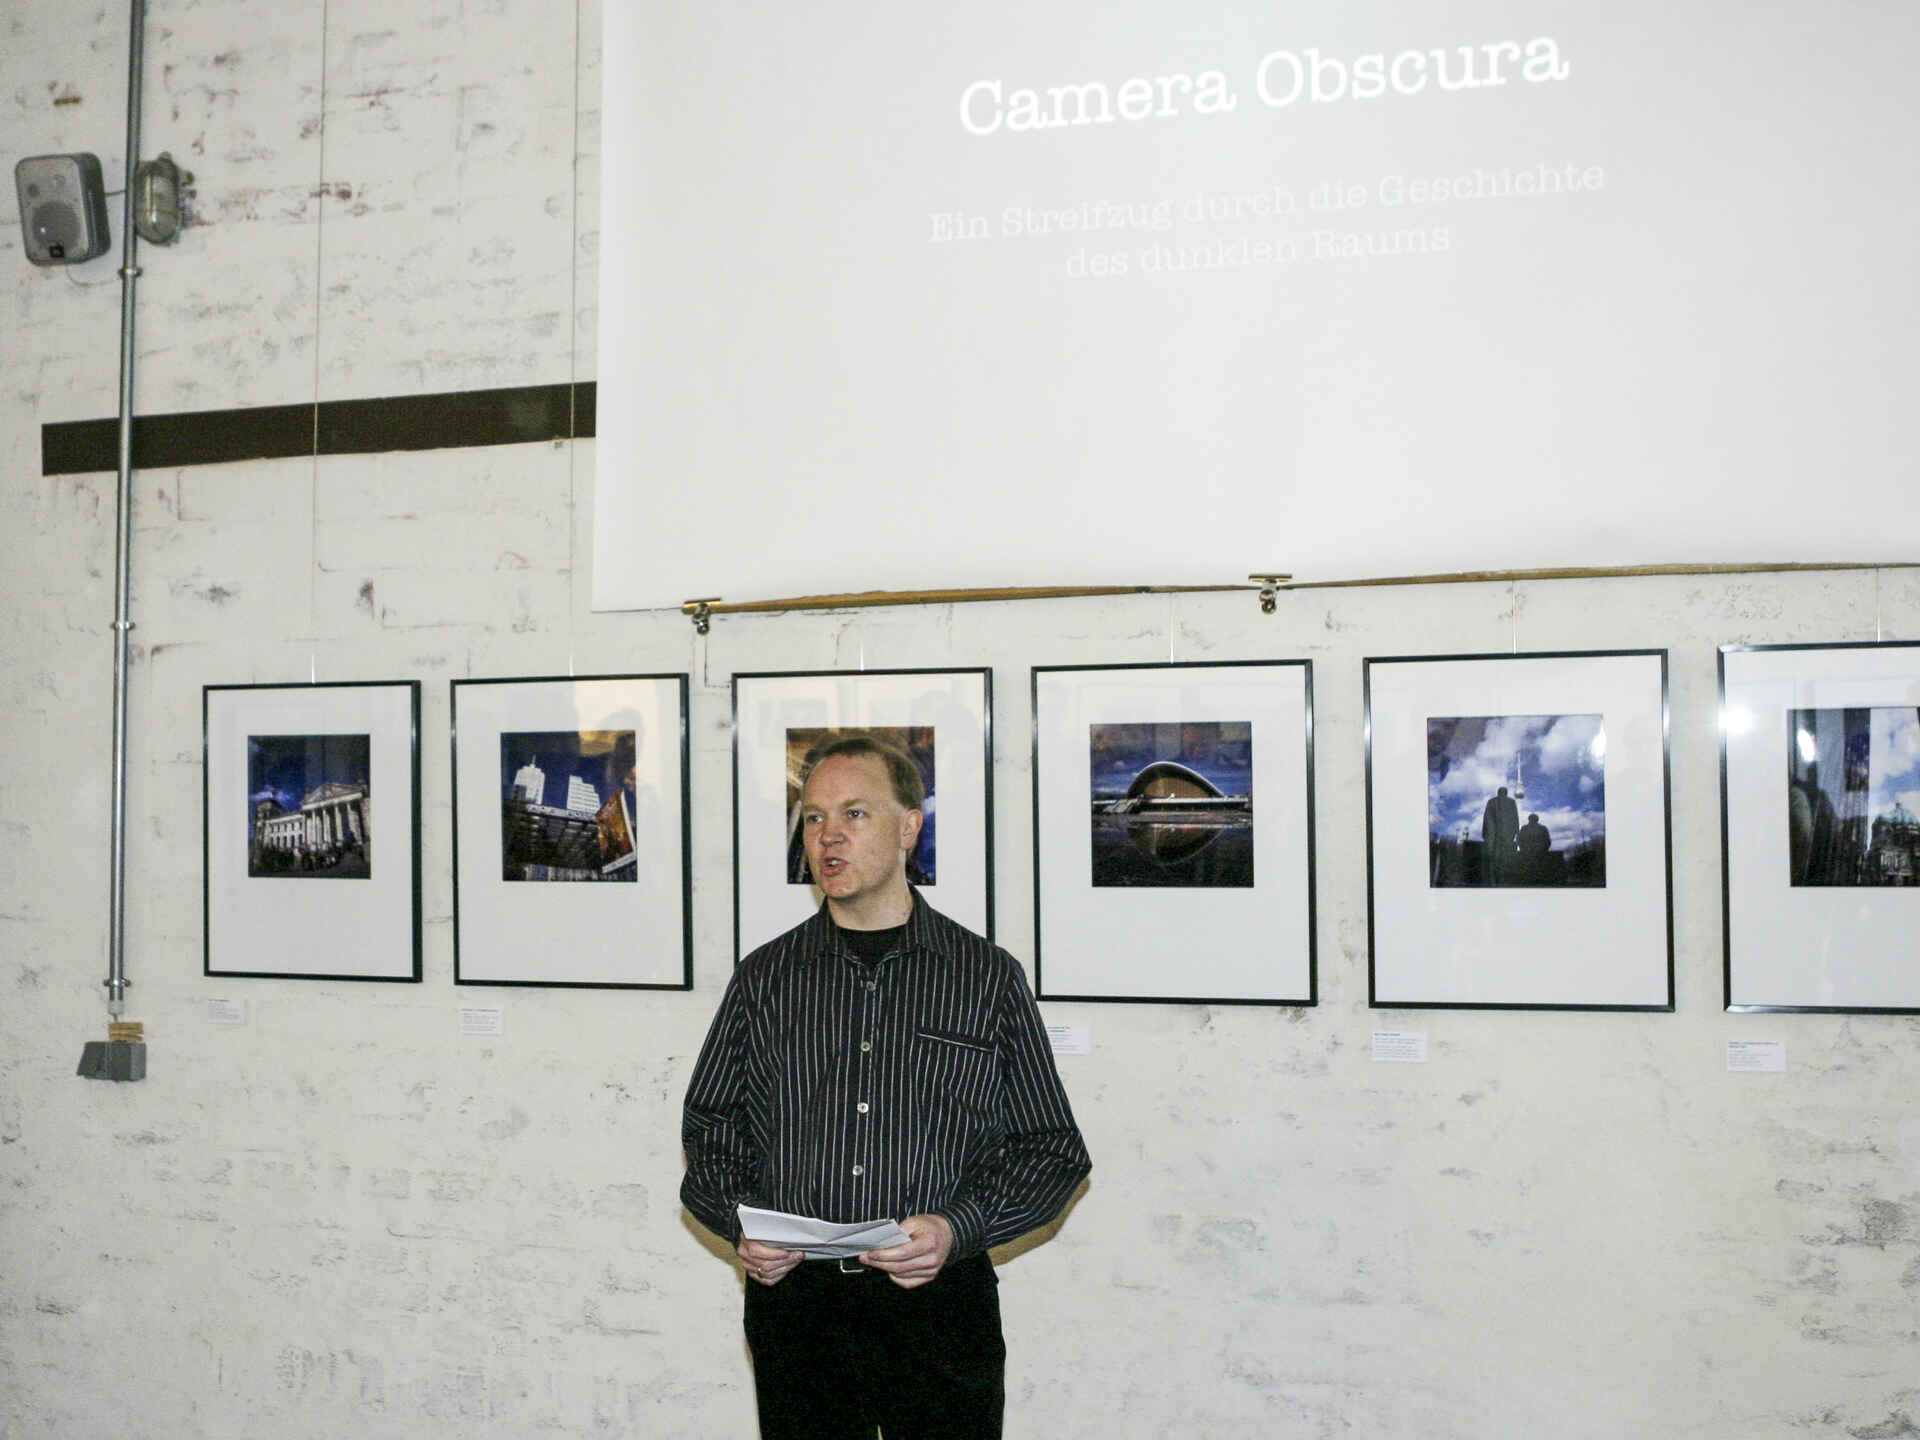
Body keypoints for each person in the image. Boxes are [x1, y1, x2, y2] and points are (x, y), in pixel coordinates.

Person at [682, 733, 1090, 1439]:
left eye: (854, 814)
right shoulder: (765, 979)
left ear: (909, 827)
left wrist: (955, 1227)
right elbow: (711, 1131)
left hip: (939, 1304)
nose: (828, 836)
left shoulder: (984, 977)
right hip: (798, 1308)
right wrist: (743, 1221)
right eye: (813, 818)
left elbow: (1052, 1149)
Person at [1481, 785, 1519, 884]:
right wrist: (1516, 832)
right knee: (1503, 859)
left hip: (1495, 836)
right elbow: (1515, 818)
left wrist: (1485, 834)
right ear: (1506, 792)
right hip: (1506, 836)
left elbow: (1487, 818)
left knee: (1494, 859)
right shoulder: (1511, 802)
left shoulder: (1491, 802)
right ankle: (1502, 880)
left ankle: (1495, 880)